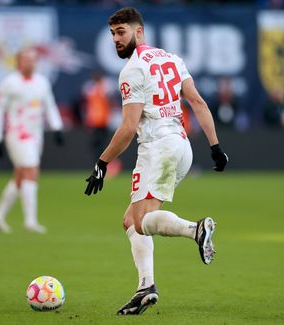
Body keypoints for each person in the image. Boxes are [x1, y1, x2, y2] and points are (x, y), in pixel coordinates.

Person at [84, 7, 228, 315]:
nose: (115, 40)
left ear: (138, 31)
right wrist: (215, 147)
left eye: (121, 33)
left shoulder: (132, 70)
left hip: (157, 149)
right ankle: (145, 286)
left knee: (141, 222)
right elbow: (198, 102)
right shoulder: (172, 59)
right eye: (112, 34)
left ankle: (196, 230)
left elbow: (127, 127)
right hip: (181, 148)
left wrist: (102, 162)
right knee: (131, 221)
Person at [0, 48, 64, 234]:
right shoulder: (9, 83)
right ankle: (30, 221)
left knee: (20, 177)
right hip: (17, 133)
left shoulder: (42, 82)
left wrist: (57, 127)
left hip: (36, 134)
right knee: (31, 171)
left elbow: (50, 105)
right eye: (25, 60)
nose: (30, 63)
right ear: (17, 63)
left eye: (32, 60)